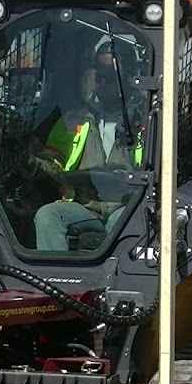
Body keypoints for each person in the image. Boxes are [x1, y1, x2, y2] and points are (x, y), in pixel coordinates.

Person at [26, 44, 146, 251]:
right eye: (98, 77)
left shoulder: (146, 123)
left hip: (127, 206)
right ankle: (56, 271)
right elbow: (53, 162)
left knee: (123, 222)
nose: (101, 83)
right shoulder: (72, 121)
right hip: (85, 205)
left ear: (129, 79)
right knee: (48, 215)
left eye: (109, 78)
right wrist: (34, 165)